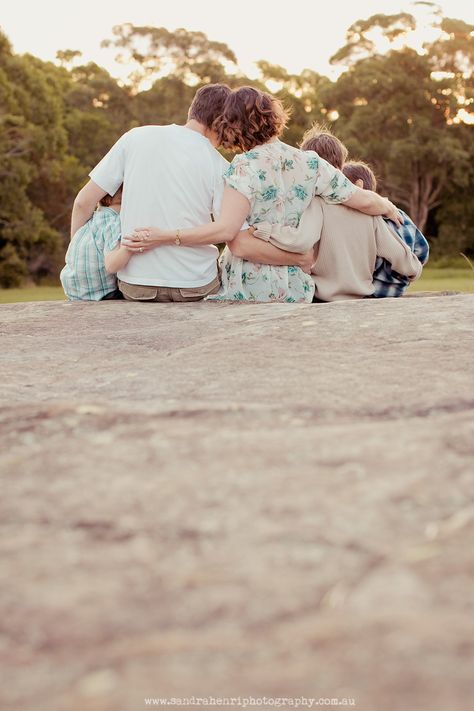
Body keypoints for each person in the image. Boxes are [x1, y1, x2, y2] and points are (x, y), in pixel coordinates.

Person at [124, 87, 402, 303]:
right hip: (296, 284)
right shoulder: (311, 163)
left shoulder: (243, 167)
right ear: (274, 118)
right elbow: (361, 199)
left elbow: (229, 235)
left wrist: (166, 236)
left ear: (232, 125)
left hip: (247, 284)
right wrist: (388, 207)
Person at [250, 137, 423, 301]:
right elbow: (397, 253)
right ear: (340, 168)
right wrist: (414, 269)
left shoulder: (316, 204)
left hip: (323, 298)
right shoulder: (369, 211)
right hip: (362, 296)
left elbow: (299, 241)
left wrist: (266, 230)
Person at [342, 161, 429, 297]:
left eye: (343, 185)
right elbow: (423, 250)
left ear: (358, 185)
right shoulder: (399, 213)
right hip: (397, 291)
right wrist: (403, 277)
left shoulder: (362, 221)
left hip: (371, 293)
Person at [60, 187, 125, 301]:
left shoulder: (93, 219)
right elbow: (112, 264)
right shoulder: (114, 222)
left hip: (72, 289)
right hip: (101, 291)